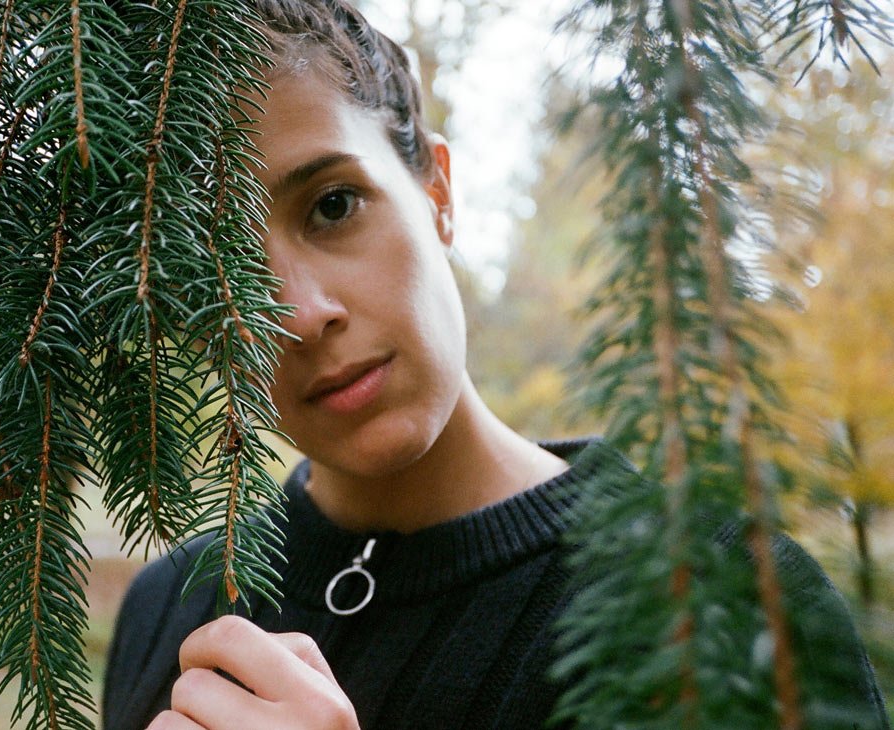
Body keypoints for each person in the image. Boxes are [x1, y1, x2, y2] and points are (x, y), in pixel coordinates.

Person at [102, 2, 891, 729]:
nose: (302, 314)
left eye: (333, 206)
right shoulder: (169, 610)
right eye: (220, 268)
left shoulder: (729, 601)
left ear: (438, 193)